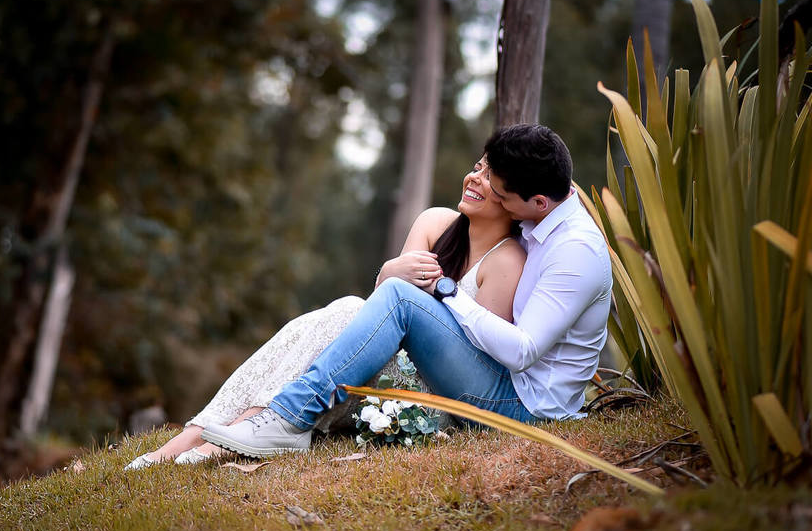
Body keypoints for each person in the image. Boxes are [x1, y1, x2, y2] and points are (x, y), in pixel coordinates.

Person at [200, 124, 612, 458]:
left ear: (539, 201)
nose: (500, 205)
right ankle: (272, 417)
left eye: (504, 198)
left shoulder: (575, 252)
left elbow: (523, 351)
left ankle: (289, 418)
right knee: (357, 305)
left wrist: (448, 291)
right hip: (504, 384)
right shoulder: (541, 217)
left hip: (524, 410)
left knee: (400, 299)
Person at [125, 152, 526, 468]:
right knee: (338, 314)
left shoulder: (506, 262)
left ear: (513, 200)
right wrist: (389, 271)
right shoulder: (436, 221)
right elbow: (382, 313)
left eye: (490, 177)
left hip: (431, 392)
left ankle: (224, 436)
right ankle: (196, 437)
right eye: (477, 168)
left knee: (345, 311)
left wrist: (399, 283)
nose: (475, 178)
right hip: (378, 357)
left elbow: (469, 353)